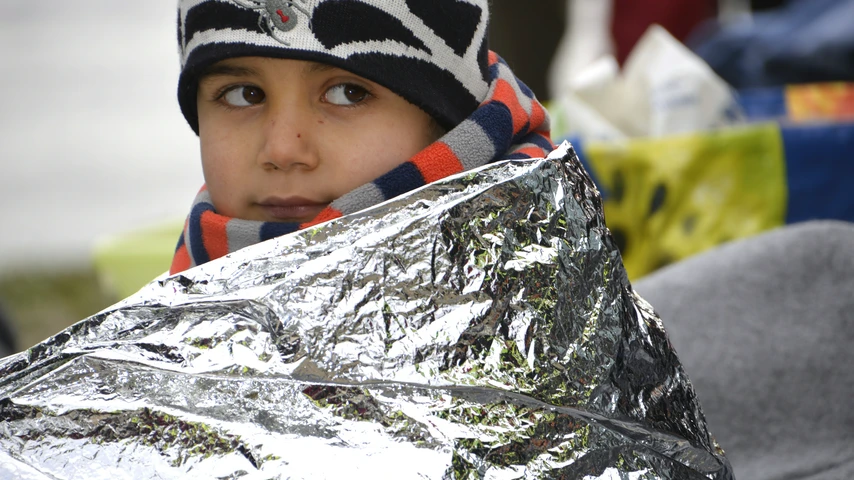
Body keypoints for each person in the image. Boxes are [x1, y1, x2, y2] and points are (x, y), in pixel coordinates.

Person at [169, 0, 553, 274]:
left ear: (448, 124)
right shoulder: (178, 300)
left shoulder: (525, 289)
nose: (283, 150)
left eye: (348, 93)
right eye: (244, 94)